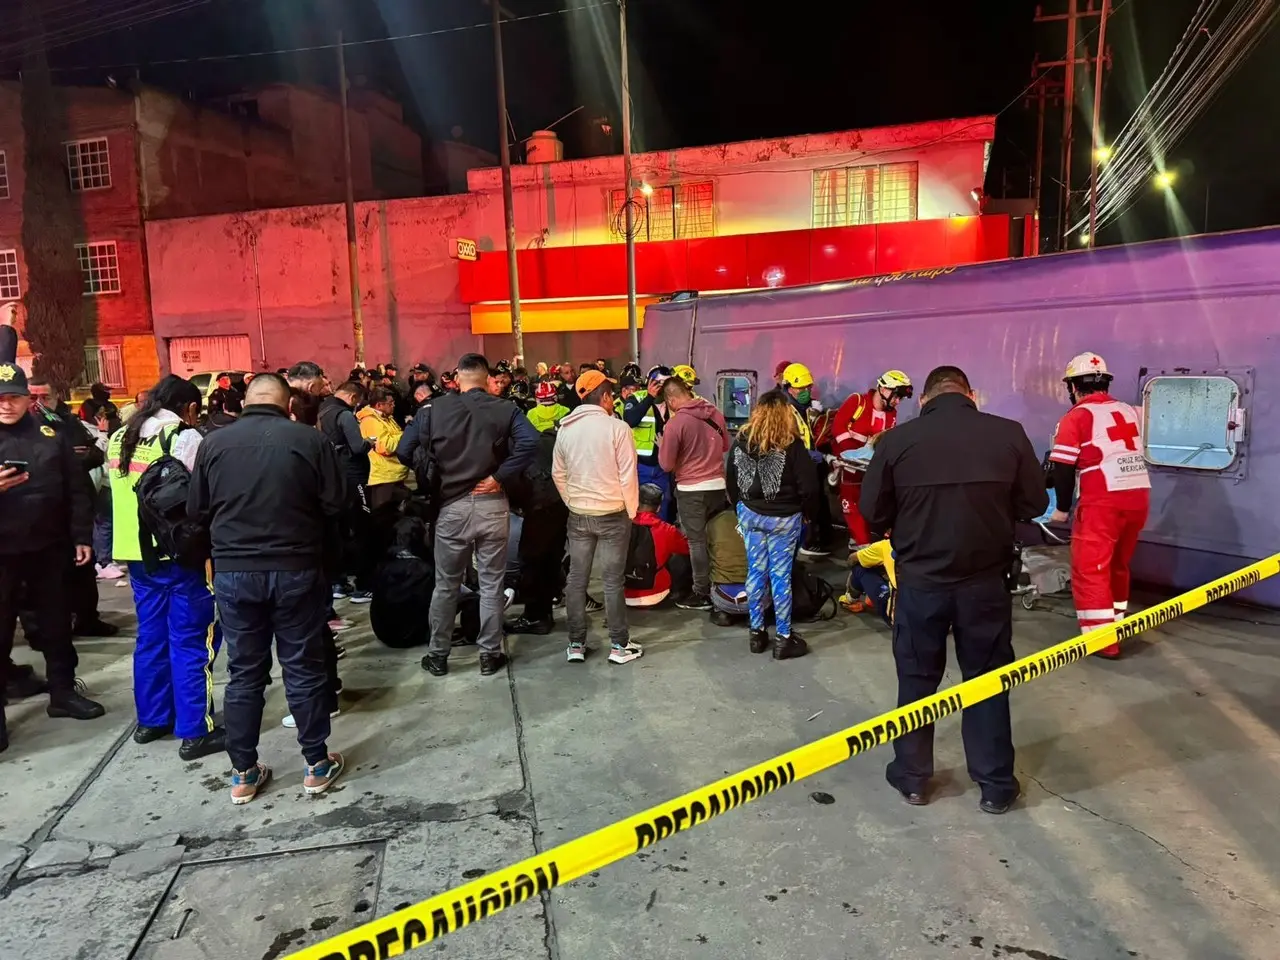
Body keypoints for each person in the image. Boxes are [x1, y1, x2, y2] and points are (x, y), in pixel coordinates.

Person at [860, 365, 1047, 815]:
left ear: (923, 400)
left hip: (921, 583)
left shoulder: (897, 441)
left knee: (917, 677)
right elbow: (1036, 504)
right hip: (985, 583)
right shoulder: (1008, 434)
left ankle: (912, 779)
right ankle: (996, 785)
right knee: (986, 679)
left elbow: (871, 513)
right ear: (971, 394)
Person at [189, 373, 347, 804]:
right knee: (302, 665)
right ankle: (316, 764)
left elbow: (196, 509)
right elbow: (337, 503)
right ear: (287, 403)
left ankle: (242, 773)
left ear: (245, 400)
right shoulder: (309, 441)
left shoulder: (213, 444)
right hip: (296, 567)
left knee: (243, 672)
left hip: (234, 573)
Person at [396, 353, 538, 677]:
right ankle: (489, 654)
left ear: (457, 378)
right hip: (493, 504)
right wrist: (499, 476)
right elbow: (528, 443)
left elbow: (404, 451)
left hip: (451, 507)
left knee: (446, 584)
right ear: (487, 379)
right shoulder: (505, 408)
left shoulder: (431, 410)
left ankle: (438, 655)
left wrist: (432, 465)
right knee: (491, 583)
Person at [107, 375, 224, 759]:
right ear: (189, 408)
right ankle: (194, 730)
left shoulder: (120, 436)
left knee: (151, 639)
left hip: (136, 558)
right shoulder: (181, 437)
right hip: (178, 556)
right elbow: (204, 496)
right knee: (192, 639)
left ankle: (153, 720)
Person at [0, 360, 104, 752]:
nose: (6, 405)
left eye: (14, 397)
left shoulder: (50, 435)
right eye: (0, 399)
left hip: (49, 547)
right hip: (3, 553)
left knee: (57, 626)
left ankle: (63, 694)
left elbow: (76, 489)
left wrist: (81, 536)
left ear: (29, 399)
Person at [1047, 352, 1151, 659]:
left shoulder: (1076, 417)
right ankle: (1116, 622)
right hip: (1138, 497)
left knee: (1090, 568)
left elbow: (1063, 469)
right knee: (1118, 563)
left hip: (1103, 501)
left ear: (1074, 388)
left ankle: (1101, 641)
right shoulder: (1131, 411)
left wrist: (1062, 509)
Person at [552, 370, 642, 664]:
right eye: (611, 395)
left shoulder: (565, 428)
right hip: (613, 513)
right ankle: (619, 645)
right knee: (613, 581)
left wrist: (571, 501)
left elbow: (558, 473)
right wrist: (631, 511)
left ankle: (576, 644)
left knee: (577, 579)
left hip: (578, 515)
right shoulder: (618, 429)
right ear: (604, 397)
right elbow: (628, 475)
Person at [725, 389, 820, 658]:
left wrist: (740, 507)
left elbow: (731, 477)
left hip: (751, 515)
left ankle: (756, 634)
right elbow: (810, 488)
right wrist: (808, 514)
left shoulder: (742, 440)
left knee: (756, 572)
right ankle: (783, 638)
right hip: (784, 519)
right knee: (780, 577)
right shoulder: (792, 444)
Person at [27, 377, 119, 635]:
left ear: (55, 397)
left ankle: (88, 618)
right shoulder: (22, 428)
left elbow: (94, 452)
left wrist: (79, 457)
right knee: (49, 574)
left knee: (83, 566)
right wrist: (67, 457)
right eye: (33, 397)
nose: (39, 403)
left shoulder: (68, 421)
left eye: (44, 397)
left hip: (75, 503)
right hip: (40, 512)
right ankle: (49, 626)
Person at [659, 376, 730, 611]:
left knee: (696, 542)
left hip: (691, 490)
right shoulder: (715, 413)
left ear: (671, 399)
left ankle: (701, 592)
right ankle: (722, 583)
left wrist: (663, 447)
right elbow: (725, 446)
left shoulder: (676, 423)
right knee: (717, 538)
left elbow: (666, 465)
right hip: (718, 486)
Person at [829, 370, 913, 546]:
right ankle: (862, 544)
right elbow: (838, 428)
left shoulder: (891, 414)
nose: (897, 402)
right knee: (851, 504)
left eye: (900, 398)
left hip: (869, 469)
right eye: (896, 396)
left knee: (870, 504)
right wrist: (852, 456)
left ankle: (860, 541)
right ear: (883, 389)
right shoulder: (857, 402)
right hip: (849, 466)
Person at [504, 414, 568, 636]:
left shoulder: (515, 447)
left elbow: (513, 480)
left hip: (539, 507)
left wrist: (516, 504)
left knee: (531, 561)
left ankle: (535, 617)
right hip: (560, 504)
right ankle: (543, 612)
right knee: (549, 561)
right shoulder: (547, 440)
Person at [319, 381, 374, 602]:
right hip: (352, 477)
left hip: (331, 479)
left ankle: (338, 583)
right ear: (353, 398)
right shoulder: (344, 415)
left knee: (338, 530)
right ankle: (362, 585)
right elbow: (358, 447)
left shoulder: (321, 411)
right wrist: (368, 442)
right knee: (361, 528)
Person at [778, 362, 832, 556]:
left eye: (808, 387)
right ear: (789, 387)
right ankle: (803, 544)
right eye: (802, 388)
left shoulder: (803, 408)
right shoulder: (785, 412)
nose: (807, 391)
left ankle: (807, 540)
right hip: (794, 470)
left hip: (806, 466)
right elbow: (787, 444)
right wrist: (814, 456)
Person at [624, 483, 691, 607]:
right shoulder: (667, 530)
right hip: (656, 595)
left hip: (622, 595)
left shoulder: (622, 525)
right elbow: (688, 549)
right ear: (659, 507)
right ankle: (685, 595)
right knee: (684, 555)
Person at [623, 366, 672, 519]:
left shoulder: (674, 402)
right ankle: (640, 539)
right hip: (641, 466)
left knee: (664, 503)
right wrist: (650, 397)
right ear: (650, 382)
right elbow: (630, 420)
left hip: (664, 466)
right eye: (659, 383)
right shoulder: (636, 398)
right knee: (638, 506)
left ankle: (659, 539)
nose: (662, 388)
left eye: (666, 384)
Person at [357, 385, 410, 512]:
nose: (393, 405)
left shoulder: (387, 418)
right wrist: (405, 435)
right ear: (379, 405)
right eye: (390, 403)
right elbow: (385, 447)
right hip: (383, 477)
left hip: (394, 473)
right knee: (384, 515)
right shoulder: (370, 421)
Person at [850, 537, 896, 626]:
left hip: (902, 620)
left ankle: (850, 598)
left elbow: (851, 559)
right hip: (927, 615)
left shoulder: (886, 545)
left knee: (859, 568)